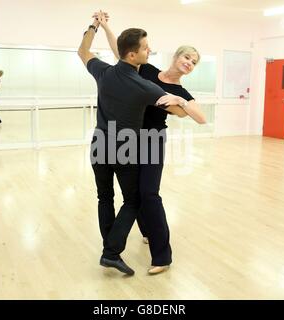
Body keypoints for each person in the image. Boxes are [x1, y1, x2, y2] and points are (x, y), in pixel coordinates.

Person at [96, 11, 206, 274]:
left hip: (152, 140)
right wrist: (105, 26)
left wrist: (178, 101)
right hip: (128, 139)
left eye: (194, 62)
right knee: (133, 193)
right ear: (176, 56)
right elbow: (119, 48)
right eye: (186, 57)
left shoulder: (181, 92)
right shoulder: (146, 69)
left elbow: (200, 118)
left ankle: (162, 256)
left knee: (149, 194)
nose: (189, 63)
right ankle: (145, 230)